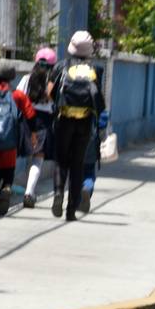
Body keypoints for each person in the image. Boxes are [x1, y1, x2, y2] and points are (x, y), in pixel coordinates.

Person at [47, 31, 106, 221]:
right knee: (77, 164)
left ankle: (58, 193)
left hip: (64, 119)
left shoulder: (61, 66)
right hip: (85, 122)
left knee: (61, 161)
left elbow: (50, 93)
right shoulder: (96, 69)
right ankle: (71, 210)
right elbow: (97, 97)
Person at [0, 65, 36, 216]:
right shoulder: (17, 95)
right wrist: (33, 133)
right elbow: (30, 115)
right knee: (8, 170)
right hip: (10, 141)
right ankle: (7, 187)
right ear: (12, 77)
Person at [16, 47, 57, 209]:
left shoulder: (26, 79)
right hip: (44, 121)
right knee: (38, 159)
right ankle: (29, 192)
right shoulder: (52, 83)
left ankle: (6, 187)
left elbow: (18, 97)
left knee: (17, 155)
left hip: (27, 119)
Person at [78, 110, 111, 214]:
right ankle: (87, 189)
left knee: (75, 172)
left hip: (75, 139)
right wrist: (102, 136)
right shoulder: (97, 102)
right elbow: (103, 120)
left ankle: (77, 201)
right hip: (92, 141)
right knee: (89, 172)